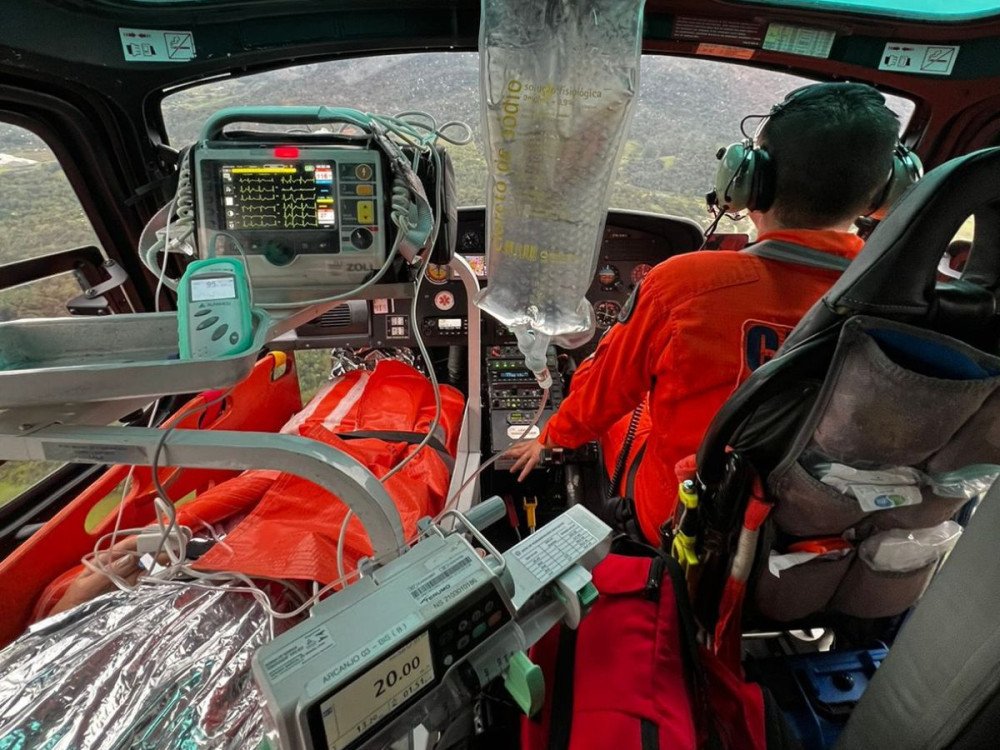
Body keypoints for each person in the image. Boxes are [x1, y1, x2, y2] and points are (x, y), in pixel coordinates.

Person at [507, 82, 905, 546]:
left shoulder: (682, 285)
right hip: (831, 527)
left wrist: (551, 437)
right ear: (883, 193)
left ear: (749, 182)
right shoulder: (916, 304)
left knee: (624, 410)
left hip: (692, 522)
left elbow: (602, 394)